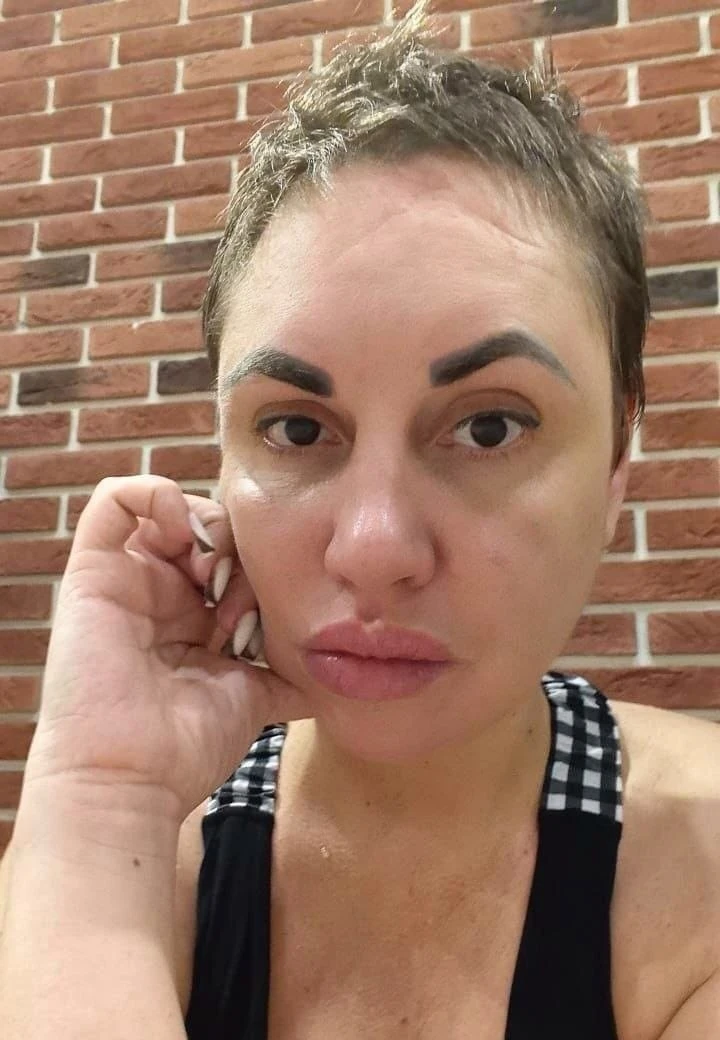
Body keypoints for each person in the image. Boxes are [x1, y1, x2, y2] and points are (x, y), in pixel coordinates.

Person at [1, 1, 719, 1037]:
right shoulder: (116, 862)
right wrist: (99, 798)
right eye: (296, 428)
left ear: (615, 462)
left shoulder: (698, 881)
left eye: (490, 426)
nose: (374, 549)